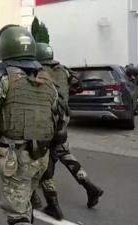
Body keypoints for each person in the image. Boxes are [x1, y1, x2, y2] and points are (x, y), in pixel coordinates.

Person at [0, 25, 67, 225]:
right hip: (41, 157)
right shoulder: (48, 82)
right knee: (25, 202)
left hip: (17, 158)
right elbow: (60, 125)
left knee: (17, 216)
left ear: (3, 47)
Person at [34, 42, 103, 220]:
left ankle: (52, 205)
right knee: (64, 153)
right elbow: (78, 86)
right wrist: (65, 95)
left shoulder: (36, 71)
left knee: (42, 162)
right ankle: (89, 186)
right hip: (63, 120)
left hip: (45, 122)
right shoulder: (62, 69)